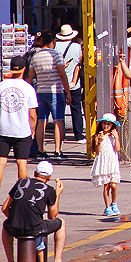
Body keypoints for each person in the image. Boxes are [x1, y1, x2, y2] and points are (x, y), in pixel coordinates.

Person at [1, 161, 65, 262]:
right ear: (49, 177)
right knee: (61, 223)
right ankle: (58, 259)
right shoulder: (49, 190)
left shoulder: (21, 182)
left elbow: (4, 208)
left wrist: (16, 220)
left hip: (14, 227)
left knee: (6, 226)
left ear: (35, 174)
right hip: (35, 228)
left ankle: (10, 260)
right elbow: (52, 216)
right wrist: (57, 194)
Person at [25, 33, 70, 161]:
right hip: (55, 91)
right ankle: (57, 151)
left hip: (40, 92)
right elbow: (62, 74)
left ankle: (41, 150)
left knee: (41, 121)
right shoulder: (56, 55)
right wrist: (68, 91)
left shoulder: (36, 56)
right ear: (53, 42)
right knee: (58, 120)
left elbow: (30, 76)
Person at [0, 57, 36, 192]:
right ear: (24, 69)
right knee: (22, 162)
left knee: (1, 162)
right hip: (22, 130)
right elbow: (32, 114)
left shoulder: (2, 85)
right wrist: (32, 130)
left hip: (3, 129)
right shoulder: (28, 88)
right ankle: (22, 193)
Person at [52, 26, 83, 142]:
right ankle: (79, 135)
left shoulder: (55, 46)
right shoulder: (76, 47)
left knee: (60, 110)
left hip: (58, 83)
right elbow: (79, 63)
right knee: (76, 109)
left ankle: (61, 135)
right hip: (74, 83)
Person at [90, 113, 121, 216]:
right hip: (103, 162)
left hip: (112, 161)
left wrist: (116, 138)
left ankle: (114, 203)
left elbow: (117, 149)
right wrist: (99, 142)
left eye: (108, 124)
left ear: (112, 125)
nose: (106, 126)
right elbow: (97, 151)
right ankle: (107, 207)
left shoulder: (113, 136)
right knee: (106, 186)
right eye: (104, 123)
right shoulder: (99, 135)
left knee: (114, 185)